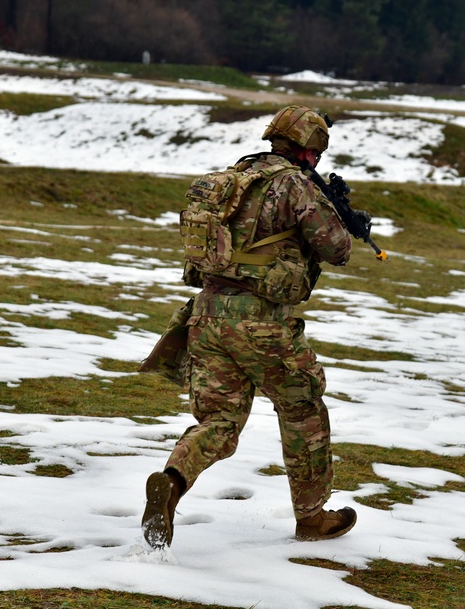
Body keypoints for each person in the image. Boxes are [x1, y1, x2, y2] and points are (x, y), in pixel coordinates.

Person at [141, 105, 356, 549]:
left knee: (219, 419)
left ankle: (172, 481)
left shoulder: (233, 178)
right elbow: (336, 248)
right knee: (303, 409)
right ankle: (312, 518)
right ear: (311, 149)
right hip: (262, 321)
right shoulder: (294, 184)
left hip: (207, 314)